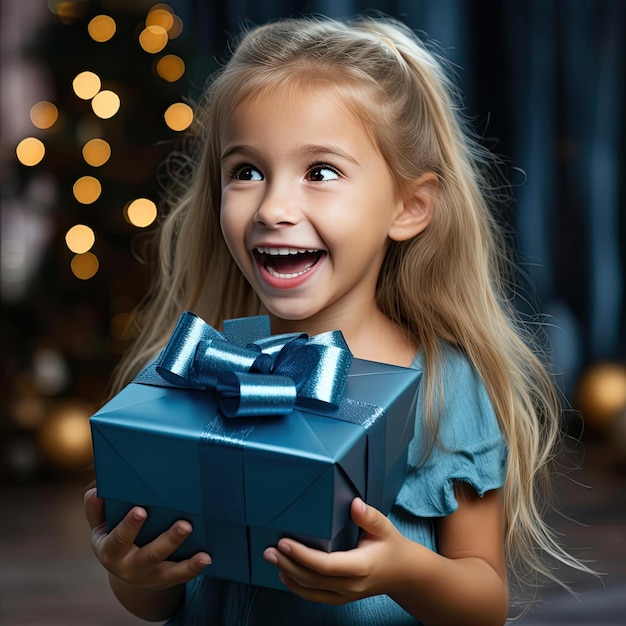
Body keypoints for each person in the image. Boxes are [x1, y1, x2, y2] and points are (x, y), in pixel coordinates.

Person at [84, 14, 591, 625]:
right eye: (246, 171)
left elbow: (483, 602)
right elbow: (163, 596)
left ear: (409, 207)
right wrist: (134, 573)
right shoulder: (202, 369)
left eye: (320, 173)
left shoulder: (442, 387)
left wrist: (401, 569)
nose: (273, 207)